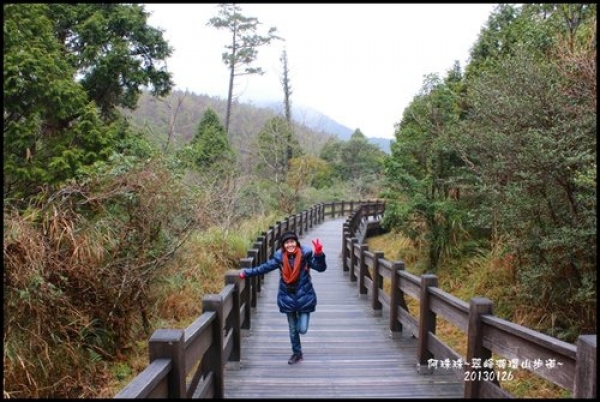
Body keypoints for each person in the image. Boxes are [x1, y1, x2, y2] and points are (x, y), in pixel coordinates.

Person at [239, 230, 326, 364]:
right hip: (287, 298)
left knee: (301, 329)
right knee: (292, 330)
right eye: (287, 243)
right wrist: (246, 272)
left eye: (292, 242)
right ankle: (297, 353)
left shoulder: (306, 256)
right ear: (283, 245)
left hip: (304, 298)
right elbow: (263, 268)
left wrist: (319, 254)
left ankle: (297, 346)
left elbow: (320, 268)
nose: (290, 245)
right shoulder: (279, 259)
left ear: (296, 242)